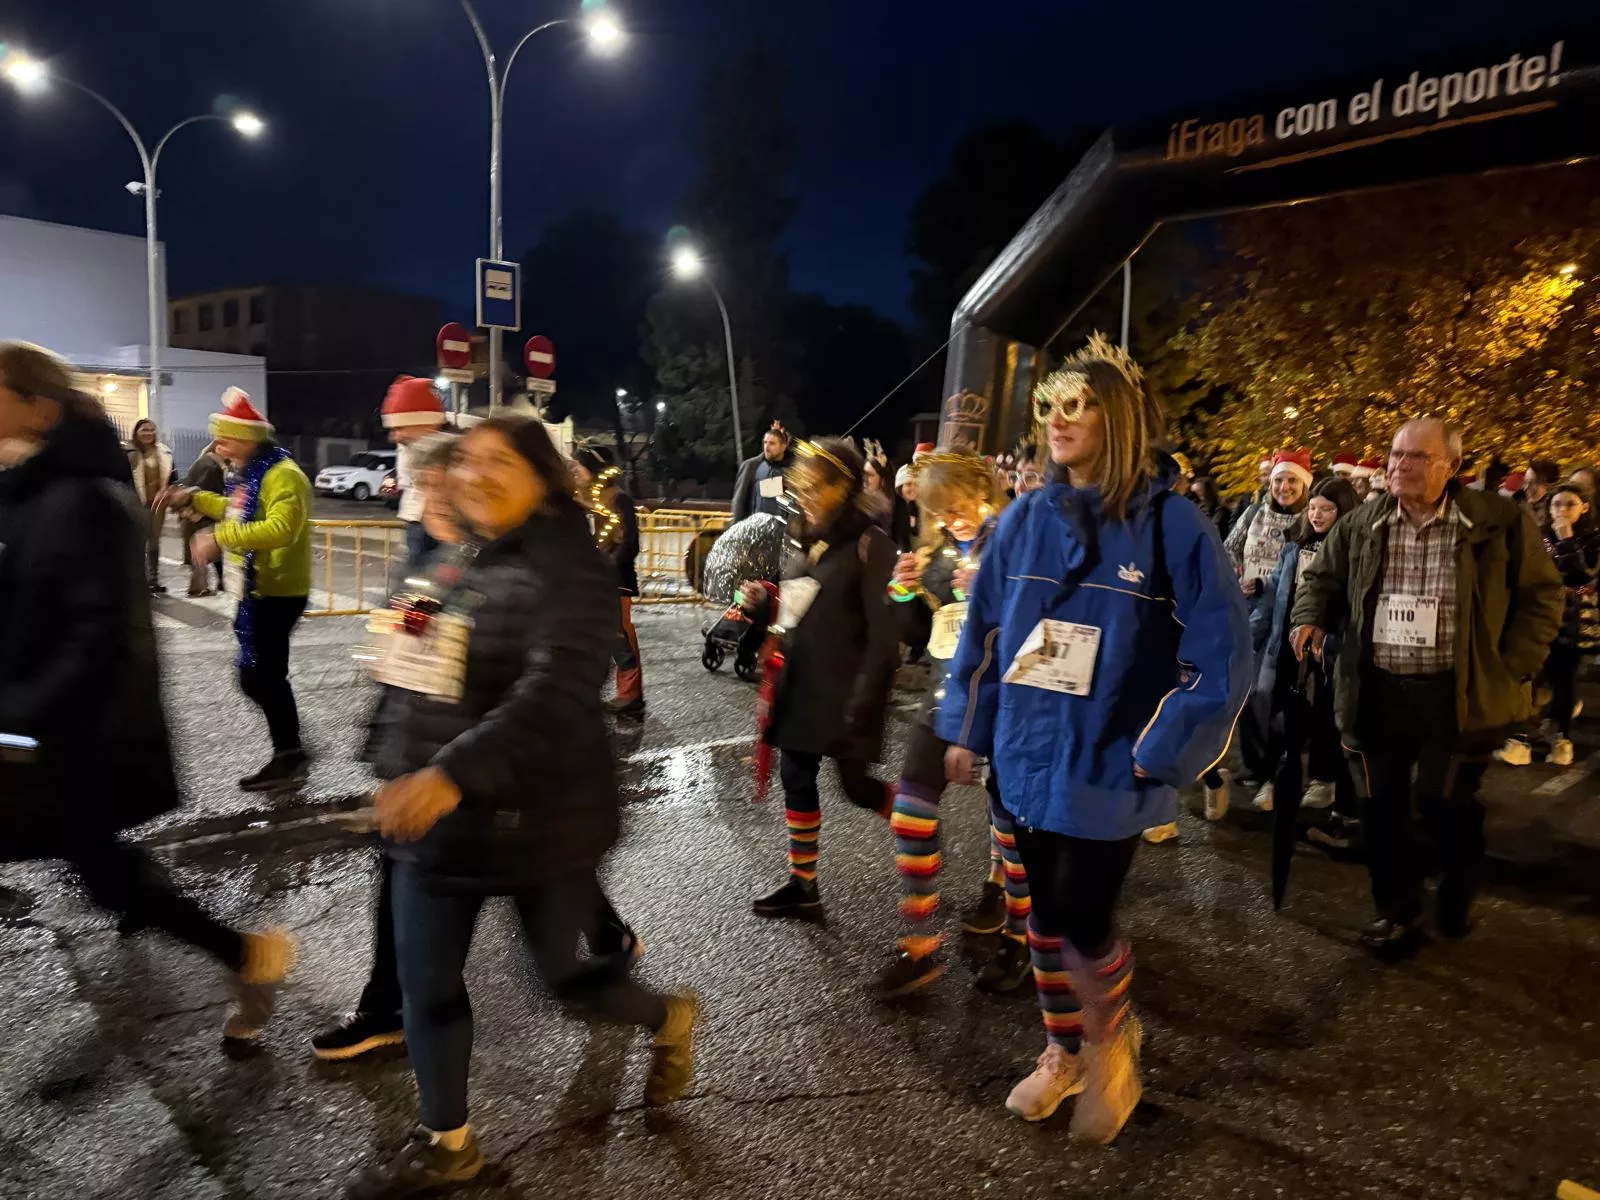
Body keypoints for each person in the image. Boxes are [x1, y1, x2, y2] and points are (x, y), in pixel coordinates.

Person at [347, 415, 697, 1197]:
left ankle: (666, 1018)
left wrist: (447, 774)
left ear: (543, 477)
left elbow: (556, 688)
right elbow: (410, 664)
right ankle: (448, 1143)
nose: (473, 475)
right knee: (425, 983)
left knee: (570, 985)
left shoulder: (574, 567)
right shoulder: (453, 554)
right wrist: (392, 758)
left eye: (498, 461)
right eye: (465, 461)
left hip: (543, 819)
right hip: (437, 820)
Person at [938, 336, 1251, 1140]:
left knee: (1081, 918)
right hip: (1022, 757)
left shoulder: (1172, 525)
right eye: (1049, 407)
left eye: (1078, 406)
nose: (1057, 421)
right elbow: (983, 632)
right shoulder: (1022, 521)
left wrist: (1160, 751)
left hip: (1107, 762)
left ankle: (1112, 1043)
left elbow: (1222, 653)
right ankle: (1062, 1050)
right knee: (1040, 917)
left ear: (1117, 420)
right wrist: (968, 730)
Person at [0, 342, 293, 1045]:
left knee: (101, 867)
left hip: (63, 729)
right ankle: (245, 954)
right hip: (36, 721)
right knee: (101, 868)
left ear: (36, 405)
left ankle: (246, 953)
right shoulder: (30, 491)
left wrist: (20, 720)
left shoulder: (87, 500)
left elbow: (98, 635)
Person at [1291, 418, 1563, 956]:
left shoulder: (1498, 521)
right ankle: (1397, 910)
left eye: (1415, 457)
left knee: (1441, 802)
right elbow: (1322, 578)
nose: (1399, 466)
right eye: (1395, 454)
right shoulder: (1364, 521)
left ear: (1452, 467)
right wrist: (1310, 616)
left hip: (1457, 693)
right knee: (1382, 807)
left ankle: (1458, 879)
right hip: (1377, 689)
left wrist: (1513, 664)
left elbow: (1542, 595)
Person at [875, 448, 1030, 998]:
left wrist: (988, 593)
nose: (953, 519)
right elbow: (921, 631)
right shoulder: (937, 552)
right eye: (942, 511)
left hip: (1004, 701)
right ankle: (919, 941)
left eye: (962, 505)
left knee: (1010, 829)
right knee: (911, 813)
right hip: (943, 700)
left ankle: (1018, 933)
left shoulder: (1017, 542)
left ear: (987, 493)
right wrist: (901, 590)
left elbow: (1037, 626)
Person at [752, 437, 900, 918]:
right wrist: (762, 603)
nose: (807, 494)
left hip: (848, 688)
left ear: (845, 487)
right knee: (796, 776)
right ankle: (804, 884)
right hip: (803, 680)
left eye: (818, 486)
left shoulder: (870, 542)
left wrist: (865, 695)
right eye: (803, 484)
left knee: (856, 788)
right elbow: (796, 606)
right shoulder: (803, 537)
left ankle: (914, 821)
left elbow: (885, 631)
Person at [171, 389, 314, 792]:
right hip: (252, 590)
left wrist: (219, 538)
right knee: (260, 676)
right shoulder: (252, 474)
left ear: (249, 439)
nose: (218, 446)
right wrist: (195, 498)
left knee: (261, 677)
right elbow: (236, 509)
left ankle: (290, 752)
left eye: (225, 439)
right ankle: (291, 747)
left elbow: (281, 529)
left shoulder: (284, 474)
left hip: (277, 590)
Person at [1249, 476, 1360, 816]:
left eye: (1327, 509)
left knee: (1327, 711)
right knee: (1274, 706)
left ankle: (1323, 780)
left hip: (1330, 644)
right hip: (1288, 638)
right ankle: (1273, 777)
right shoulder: (1295, 545)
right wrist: (1252, 634)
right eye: (1313, 507)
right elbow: (1275, 593)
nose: (1317, 515)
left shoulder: (1354, 550)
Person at [1225, 448, 1312, 806]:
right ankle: (1254, 764)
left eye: (1292, 480)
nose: (1284, 487)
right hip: (1248, 612)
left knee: (1271, 693)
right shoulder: (1253, 512)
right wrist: (1234, 574)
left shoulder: (1310, 519)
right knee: (1245, 692)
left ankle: (1279, 768)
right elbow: (1230, 548)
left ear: (1304, 484)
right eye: (1279, 480)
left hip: (1285, 616)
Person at [1494, 483, 1600, 769]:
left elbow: (1582, 577)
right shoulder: (1538, 537)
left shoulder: (1592, 540)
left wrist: (1567, 540)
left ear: (1585, 507)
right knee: (1529, 678)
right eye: (1556, 505)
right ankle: (1520, 740)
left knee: (1564, 680)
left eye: (1569, 504)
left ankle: (1562, 740)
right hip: (1538, 619)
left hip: (1572, 621)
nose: (1562, 511)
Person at [573, 444, 646, 717]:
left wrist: (607, 567)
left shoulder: (618, 499)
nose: (575, 470)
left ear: (592, 468)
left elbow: (630, 543)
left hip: (615, 580)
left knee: (620, 637)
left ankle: (630, 694)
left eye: (579, 465)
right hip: (594, 579)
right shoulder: (585, 498)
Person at [381, 375, 450, 564]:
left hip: (438, 528)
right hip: (419, 523)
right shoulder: (408, 447)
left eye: (400, 428)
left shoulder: (456, 448)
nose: (394, 437)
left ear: (428, 423)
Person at [127, 417, 175, 593]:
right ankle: (137, 580)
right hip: (135, 504)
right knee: (137, 543)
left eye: (151, 430)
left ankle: (153, 579)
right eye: (144, 430)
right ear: (136, 432)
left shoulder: (164, 452)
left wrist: (168, 491)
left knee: (154, 542)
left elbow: (172, 478)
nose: (148, 433)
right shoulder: (129, 452)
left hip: (157, 505)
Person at [180, 441, 227, 596]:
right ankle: (199, 587)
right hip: (202, 513)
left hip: (198, 512)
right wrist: (196, 512)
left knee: (207, 549)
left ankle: (216, 582)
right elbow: (201, 489)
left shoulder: (206, 461)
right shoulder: (211, 466)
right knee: (204, 550)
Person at [731, 421, 793, 522]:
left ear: (783, 446)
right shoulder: (751, 466)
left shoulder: (794, 469)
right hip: (755, 528)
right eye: (765, 442)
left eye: (772, 443)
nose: (766, 447)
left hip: (782, 530)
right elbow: (739, 501)